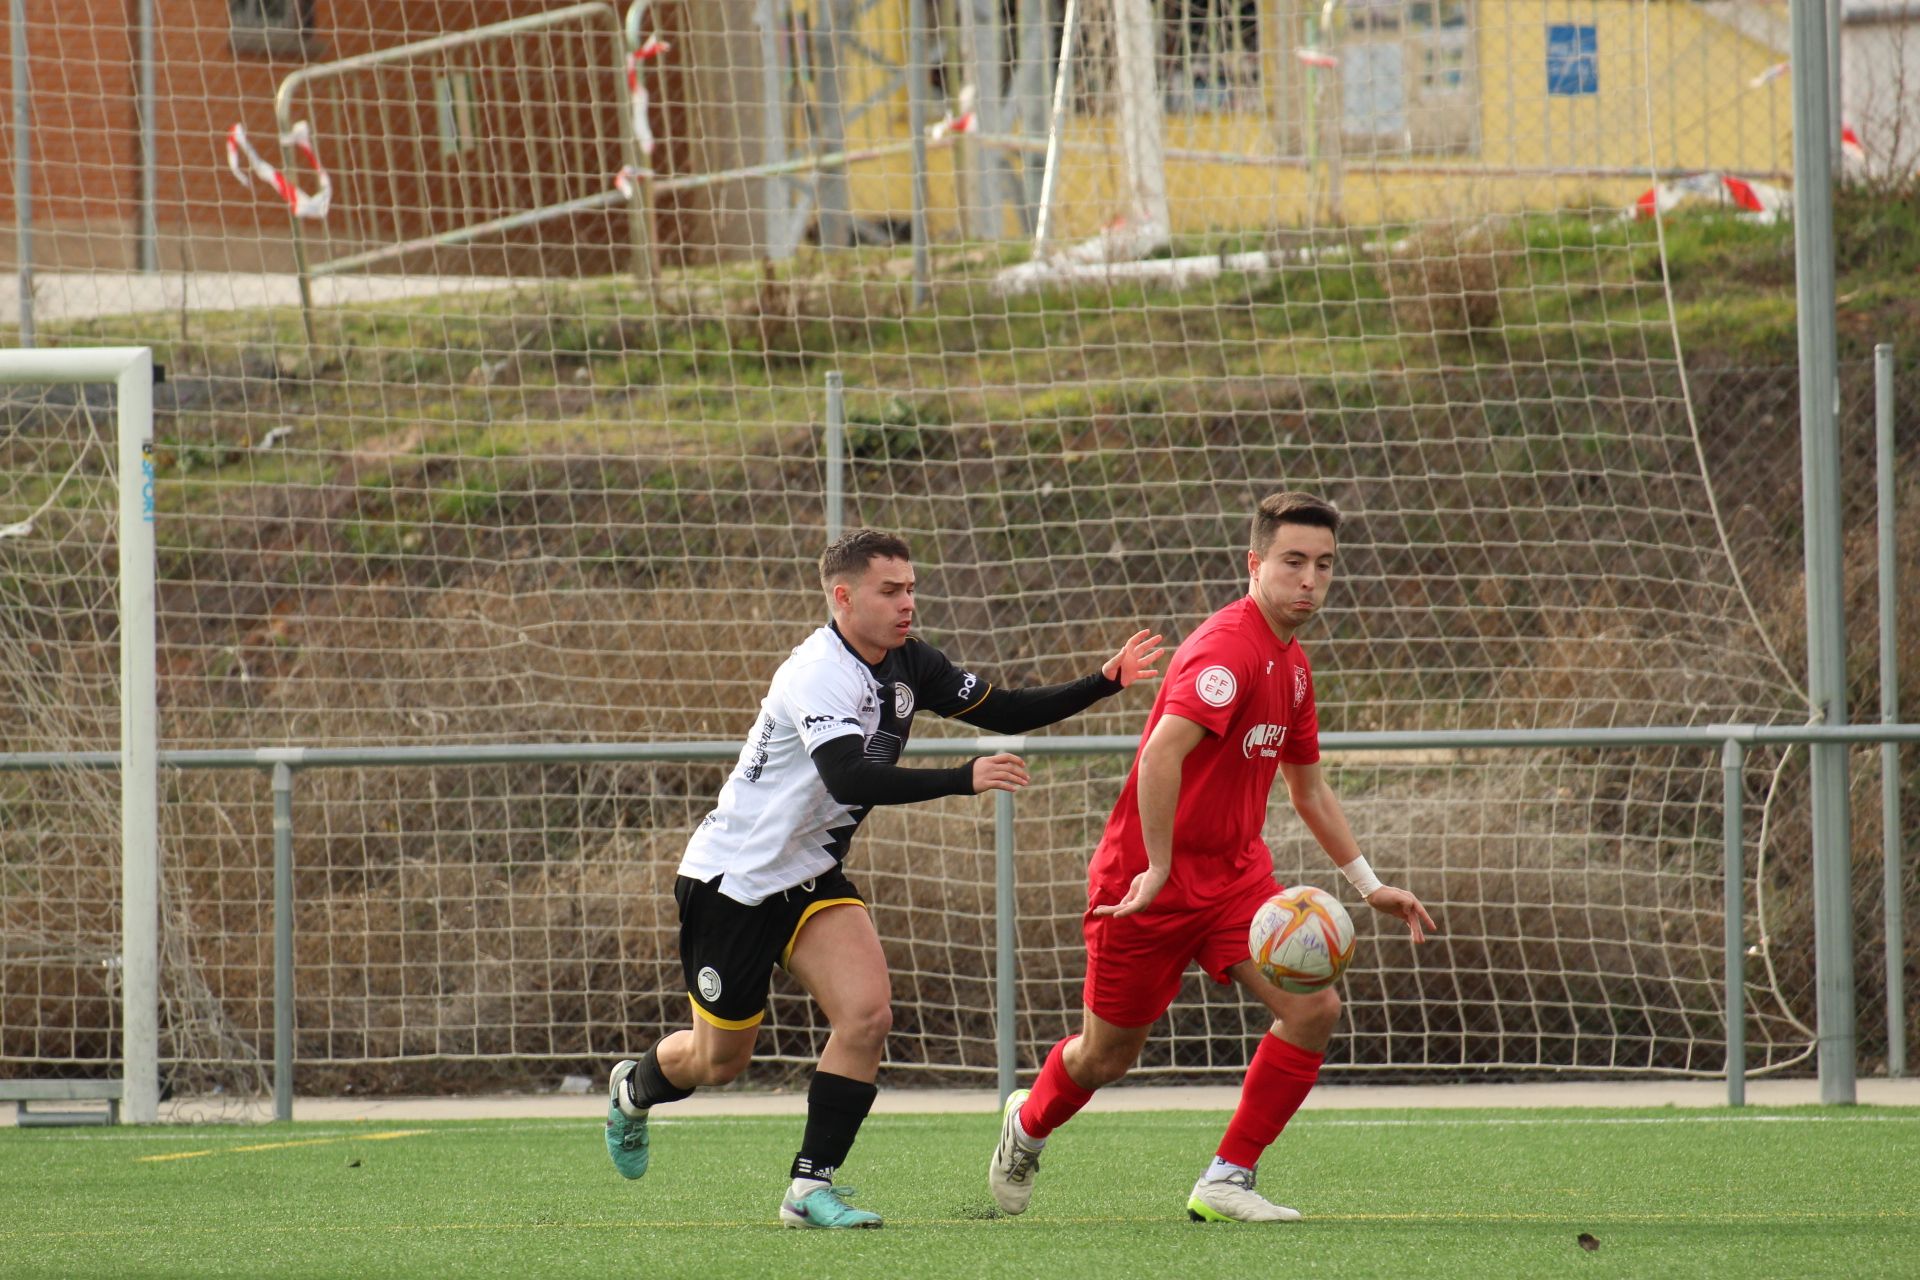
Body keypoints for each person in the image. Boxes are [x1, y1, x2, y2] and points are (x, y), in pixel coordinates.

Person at [606, 527, 1163, 1229]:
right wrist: (964, 778)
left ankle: (808, 1190)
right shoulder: (815, 673)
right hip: (732, 885)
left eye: (911, 588)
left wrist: (1104, 681)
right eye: (890, 590)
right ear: (843, 597)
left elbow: (1003, 709)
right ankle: (634, 1090)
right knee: (718, 1062)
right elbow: (848, 776)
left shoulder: (910, 662)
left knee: (868, 1016)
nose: (908, 603)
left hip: (810, 876)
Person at [986, 491, 1436, 1223]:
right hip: (1144, 885)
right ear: (1254, 564)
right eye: (1292, 562)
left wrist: (1369, 883)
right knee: (1104, 1058)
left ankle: (1227, 1178)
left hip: (1236, 881)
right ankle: (1028, 1125)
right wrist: (1158, 866)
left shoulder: (1293, 668)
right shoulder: (1227, 648)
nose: (1309, 580)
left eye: (1324, 565)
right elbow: (1163, 753)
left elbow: (1309, 788)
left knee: (1314, 1006)